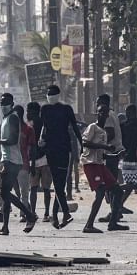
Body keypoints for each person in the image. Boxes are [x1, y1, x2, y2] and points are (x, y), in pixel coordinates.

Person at [0, 92, 38, 235]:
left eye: (6, 103)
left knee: (5, 192)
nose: (3, 106)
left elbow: (13, 139)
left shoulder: (12, 119)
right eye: (2, 103)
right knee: (5, 193)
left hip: (12, 160)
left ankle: (29, 214)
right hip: (7, 159)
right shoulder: (5, 119)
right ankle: (5, 226)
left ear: (11, 104)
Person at [81, 101, 128, 233]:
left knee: (117, 191)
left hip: (100, 164)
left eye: (105, 113)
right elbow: (85, 143)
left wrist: (117, 155)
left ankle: (113, 223)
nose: (103, 114)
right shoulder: (92, 127)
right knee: (101, 192)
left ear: (108, 115)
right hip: (90, 164)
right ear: (97, 113)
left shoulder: (104, 132)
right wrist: (104, 147)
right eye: (100, 112)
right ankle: (88, 225)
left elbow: (102, 155)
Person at [38, 84, 78, 229]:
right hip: (51, 150)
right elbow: (43, 126)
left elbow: (74, 127)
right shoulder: (45, 109)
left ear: (58, 94)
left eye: (53, 93)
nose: (51, 95)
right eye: (49, 93)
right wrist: (40, 140)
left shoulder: (66, 109)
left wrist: (81, 145)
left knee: (60, 184)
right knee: (57, 182)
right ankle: (64, 213)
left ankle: (56, 216)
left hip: (64, 149)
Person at [25, 101, 53, 221]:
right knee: (45, 188)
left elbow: (30, 146)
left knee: (34, 188)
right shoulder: (45, 123)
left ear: (33, 111)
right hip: (44, 159)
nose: (27, 113)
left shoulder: (30, 125)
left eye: (28, 111)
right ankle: (46, 213)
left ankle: (33, 212)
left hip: (38, 160)